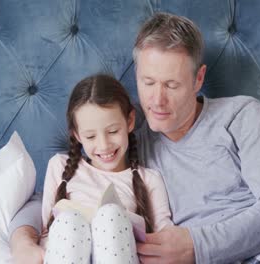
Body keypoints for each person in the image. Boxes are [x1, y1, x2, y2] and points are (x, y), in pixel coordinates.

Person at [9, 12, 260, 264]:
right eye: (148, 82)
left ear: (199, 78)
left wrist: (196, 246)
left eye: (172, 83)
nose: (157, 100)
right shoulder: (128, 137)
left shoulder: (240, 114)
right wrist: (24, 243)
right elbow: (60, 190)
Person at [39, 74, 173, 263]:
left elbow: (166, 244)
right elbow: (44, 235)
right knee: (69, 221)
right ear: (77, 135)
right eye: (91, 137)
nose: (104, 145)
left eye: (112, 131)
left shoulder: (149, 179)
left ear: (130, 121)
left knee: (110, 215)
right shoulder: (59, 166)